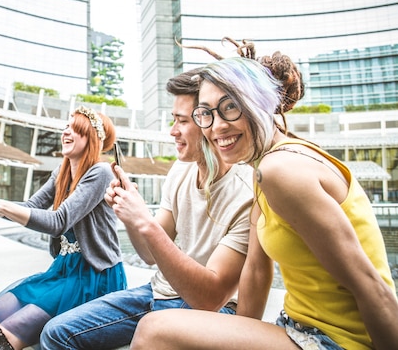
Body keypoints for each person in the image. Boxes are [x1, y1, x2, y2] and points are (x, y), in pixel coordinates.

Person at [131, 43, 398, 350]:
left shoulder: (281, 170)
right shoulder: (264, 166)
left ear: (260, 102)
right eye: (205, 113)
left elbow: (372, 286)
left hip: (335, 341)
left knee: (153, 330)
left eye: (230, 106)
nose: (217, 126)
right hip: (294, 326)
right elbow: (257, 271)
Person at [39, 71, 254, 349]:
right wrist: (131, 216)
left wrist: (145, 221)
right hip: (157, 293)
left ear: (207, 121)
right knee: (56, 333)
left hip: (212, 313)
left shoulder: (245, 192)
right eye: (173, 120)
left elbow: (210, 298)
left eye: (182, 121)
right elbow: (149, 255)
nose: (172, 131)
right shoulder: (181, 169)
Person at [0, 106, 127, 350]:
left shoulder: (100, 172)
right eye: (66, 127)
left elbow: (58, 222)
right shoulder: (62, 171)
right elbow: (30, 206)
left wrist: (1, 205)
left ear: (92, 138)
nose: (66, 133)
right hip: (63, 270)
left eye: (75, 129)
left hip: (94, 276)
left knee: (6, 335)